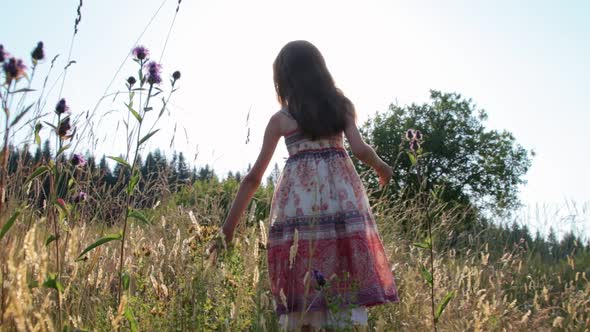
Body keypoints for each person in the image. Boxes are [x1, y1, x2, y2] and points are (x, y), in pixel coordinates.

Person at [222, 40, 399, 330]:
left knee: (302, 269)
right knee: (343, 268)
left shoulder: (281, 120)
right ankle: (346, 325)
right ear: (320, 71)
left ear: (283, 80)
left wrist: (226, 231)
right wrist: (382, 167)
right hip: (341, 202)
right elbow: (361, 149)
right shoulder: (341, 108)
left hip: (299, 208)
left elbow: (253, 178)